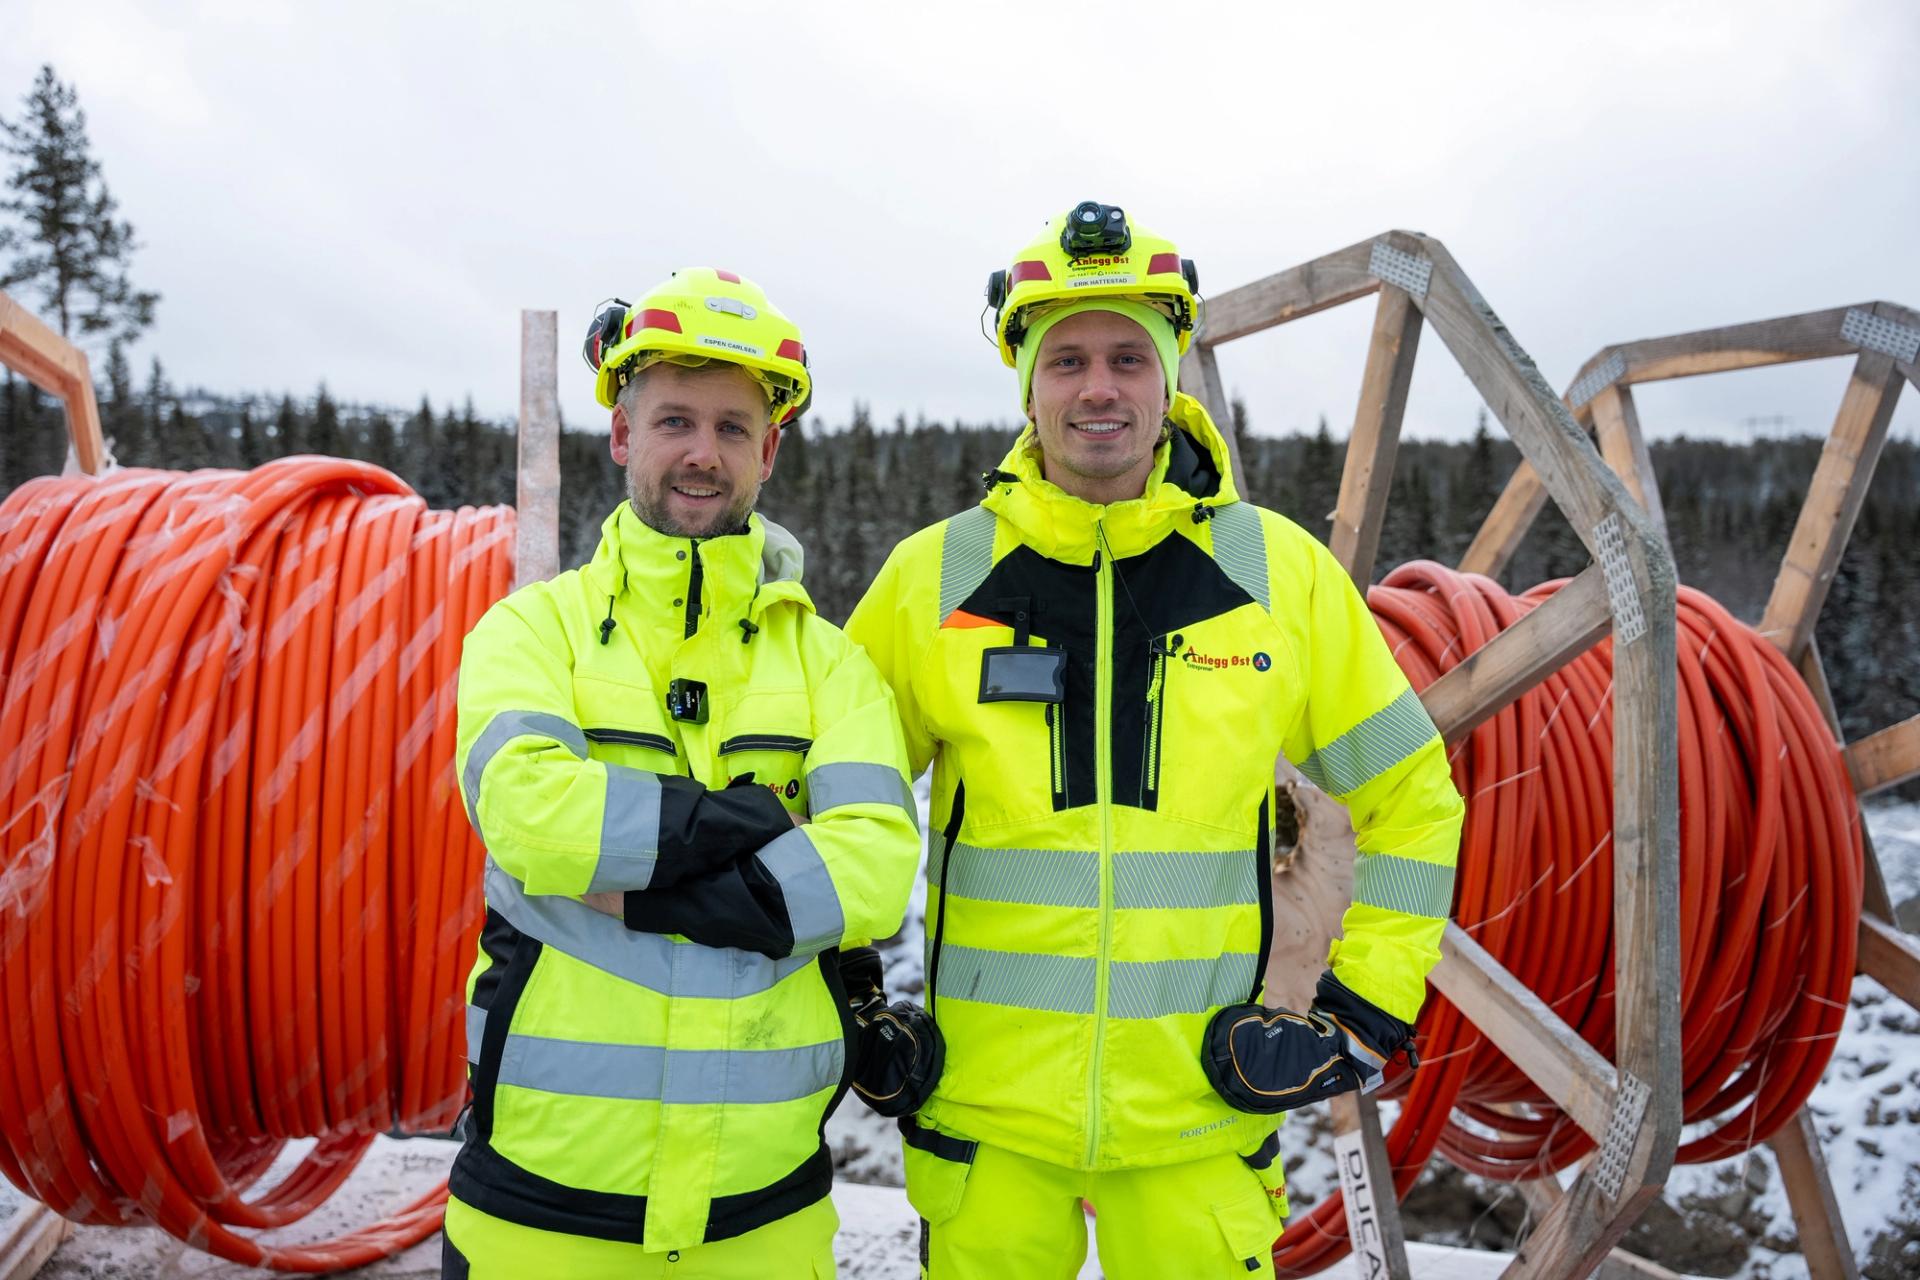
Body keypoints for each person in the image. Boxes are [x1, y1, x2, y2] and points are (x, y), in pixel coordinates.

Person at [846, 203, 1466, 1278]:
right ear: (1027, 382)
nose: (1100, 386)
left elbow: (1411, 798)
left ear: (1169, 372)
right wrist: (850, 996)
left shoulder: (1276, 575)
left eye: (1130, 356)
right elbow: (827, 805)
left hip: (1202, 1118)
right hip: (984, 1131)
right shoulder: (929, 581)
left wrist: (1356, 1016)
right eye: (1069, 357)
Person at [445, 268, 932, 1279]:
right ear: (623, 434)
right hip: (542, 1214)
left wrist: (627, 877)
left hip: (762, 1220)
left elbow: (877, 872)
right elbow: (535, 819)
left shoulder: (831, 664)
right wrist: (749, 832)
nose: (702, 454)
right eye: (674, 420)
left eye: (732, 427)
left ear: (770, 449)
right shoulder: (534, 631)